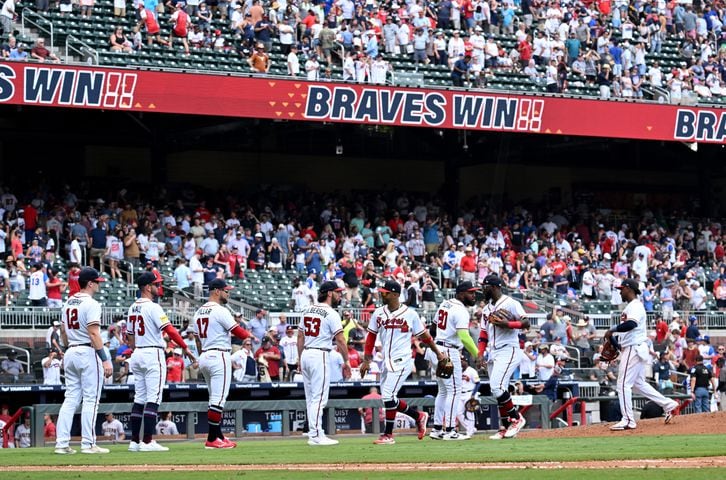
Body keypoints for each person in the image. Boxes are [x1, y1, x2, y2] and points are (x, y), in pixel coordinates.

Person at [358, 280, 442, 445]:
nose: (382, 294)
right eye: (382, 291)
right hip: (385, 361)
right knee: (388, 399)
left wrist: (438, 353)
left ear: (395, 294)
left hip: (403, 359)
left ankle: (388, 435)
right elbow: (371, 338)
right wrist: (367, 360)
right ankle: (418, 416)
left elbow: (424, 336)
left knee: (388, 396)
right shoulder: (378, 313)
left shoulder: (410, 313)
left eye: (385, 292)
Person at [127, 272, 192, 452]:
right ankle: (147, 441)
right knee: (153, 399)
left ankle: (134, 442)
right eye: (156, 284)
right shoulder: (153, 307)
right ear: (148, 287)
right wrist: (185, 346)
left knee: (139, 399)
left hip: (138, 352)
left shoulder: (133, 307)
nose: (158, 286)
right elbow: (170, 330)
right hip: (152, 352)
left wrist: (137, 349)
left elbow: (130, 336)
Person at [605, 279, 679, 430]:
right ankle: (668, 404)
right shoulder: (631, 307)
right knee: (638, 384)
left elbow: (631, 324)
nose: (620, 292)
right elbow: (627, 333)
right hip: (632, 347)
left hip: (634, 348)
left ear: (629, 289)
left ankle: (627, 420)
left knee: (623, 384)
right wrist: (612, 339)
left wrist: (612, 329)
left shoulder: (636, 306)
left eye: (622, 289)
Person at [55, 268, 113, 455]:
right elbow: (94, 333)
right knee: (91, 399)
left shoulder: (68, 302)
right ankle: (88, 444)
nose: (99, 284)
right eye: (97, 281)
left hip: (71, 349)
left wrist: (68, 348)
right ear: (90, 283)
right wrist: (105, 359)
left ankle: (62, 443)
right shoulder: (92, 303)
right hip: (87, 351)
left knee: (71, 398)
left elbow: (63, 332)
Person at [193, 278, 251, 449]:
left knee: (213, 398)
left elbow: (197, 339)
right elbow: (239, 333)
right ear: (216, 291)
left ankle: (218, 435)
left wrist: (202, 355)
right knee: (218, 399)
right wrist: (250, 334)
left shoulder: (198, 312)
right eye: (226, 290)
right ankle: (212, 439)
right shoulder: (220, 310)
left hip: (205, 355)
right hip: (219, 355)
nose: (228, 293)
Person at [297, 281, 351, 446]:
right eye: (337, 292)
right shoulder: (331, 313)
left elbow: (300, 337)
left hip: (306, 352)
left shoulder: (307, 309)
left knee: (311, 398)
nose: (340, 295)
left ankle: (316, 432)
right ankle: (315, 435)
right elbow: (340, 340)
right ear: (329, 293)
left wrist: (300, 359)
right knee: (319, 398)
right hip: (319, 353)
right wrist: (346, 361)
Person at [479, 274, 531, 440]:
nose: (482, 289)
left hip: (509, 349)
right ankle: (506, 427)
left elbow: (526, 323)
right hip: (493, 351)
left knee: (496, 386)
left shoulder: (511, 303)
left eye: (485, 286)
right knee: (498, 391)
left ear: (494, 287)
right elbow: (483, 333)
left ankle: (516, 418)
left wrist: (508, 324)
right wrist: (480, 353)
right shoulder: (487, 308)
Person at [430, 281, 479, 440]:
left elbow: (432, 328)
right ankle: (450, 430)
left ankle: (437, 429)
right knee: (454, 391)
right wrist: (478, 355)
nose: (473, 295)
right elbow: (465, 337)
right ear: (460, 293)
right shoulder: (461, 310)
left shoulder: (445, 304)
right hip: (449, 350)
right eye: (470, 292)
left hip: (437, 349)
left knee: (443, 391)